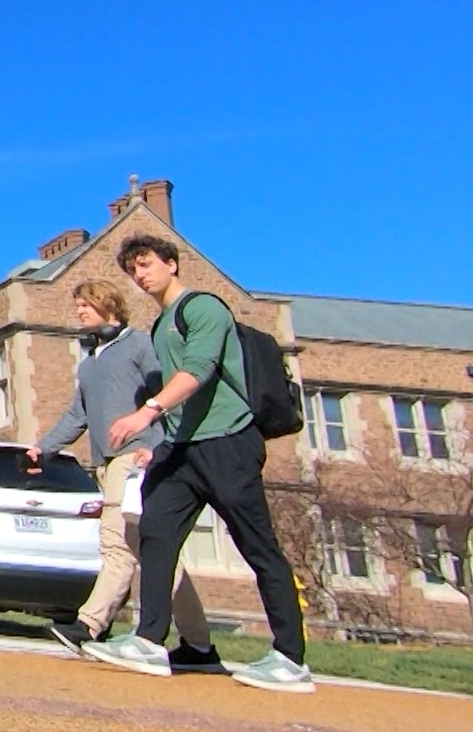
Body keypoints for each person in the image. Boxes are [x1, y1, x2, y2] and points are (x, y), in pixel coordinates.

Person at [83, 235, 314, 693]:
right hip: (183, 448)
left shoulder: (203, 308)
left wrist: (147, 412)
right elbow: (183, 393)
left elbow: (199, 371)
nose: (141, 275)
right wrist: (159, 442)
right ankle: (149, 640)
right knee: (155, 531)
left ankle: (290, 659)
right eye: (134, 270)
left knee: (257, 546)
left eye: (147, 264)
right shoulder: (162, 322)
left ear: (171, 264)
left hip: (228, 443)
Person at [30, 280, 217, 670]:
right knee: (160, 555)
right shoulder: (89, 362)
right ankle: (200, 646)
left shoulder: (139, 345)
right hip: (106, 463)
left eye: (85, 304)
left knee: (116, 544)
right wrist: (42, 448)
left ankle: (89, 625)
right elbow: (77, 416)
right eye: (77, 305)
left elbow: (165, 393)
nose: (79, 311)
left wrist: (155, 442)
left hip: (137, 459)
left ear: (107, 305)